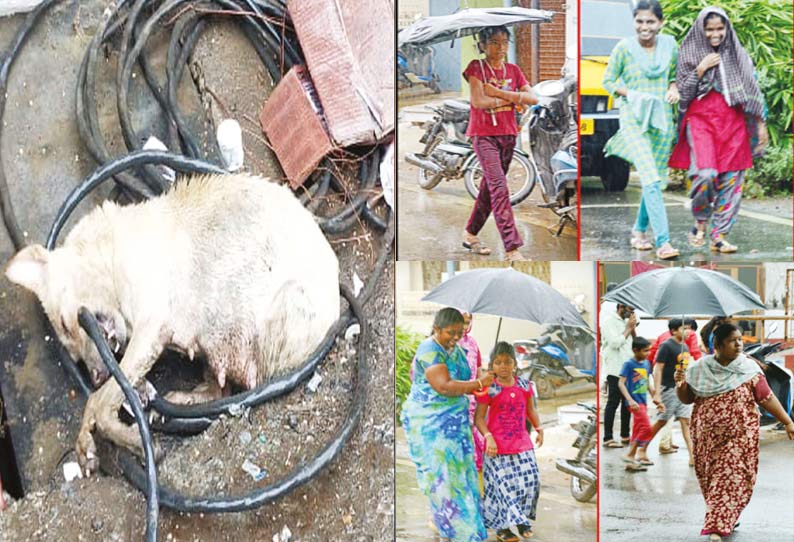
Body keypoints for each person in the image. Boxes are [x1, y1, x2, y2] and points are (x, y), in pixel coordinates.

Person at [675, 324, 794, 541]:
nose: (739, 344)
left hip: (739, 437)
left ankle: (717, 527)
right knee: (712, 478)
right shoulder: (698, 368)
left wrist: (787, 421)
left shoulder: (748, 368)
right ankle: (725, 514)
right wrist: (680, 384)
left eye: (740, 339)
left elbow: (766, 398)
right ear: (718, 345)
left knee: (730, 475)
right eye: (733, 340)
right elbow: (687, 398)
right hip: (707, 437)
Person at [669, 6, 768, 253]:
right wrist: (701, 69)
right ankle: (700, 221)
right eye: (709, 29)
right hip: (701, 121)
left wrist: (760, 124)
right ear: (701, 30)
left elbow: (753, 90)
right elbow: (684, 94)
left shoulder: (738, 54)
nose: (715, 34)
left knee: (732, 181)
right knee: (705, 174)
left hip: (733, 123)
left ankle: (719, 235)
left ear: (727, 29)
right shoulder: (689, 52)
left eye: (720, 28)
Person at [400, 307, 495, 542]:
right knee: (443, 480)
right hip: (432, 427)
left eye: (460, 333)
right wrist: (476, 383)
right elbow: (443, 386)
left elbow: (465, 378)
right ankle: (452, 530)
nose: (455, 338)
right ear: (436, 329)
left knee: (461, 477)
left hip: (456, 427)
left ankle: (464, 530)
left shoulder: (456, 350)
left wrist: (483, 381)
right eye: (450, 333)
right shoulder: (429, 350)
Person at [602, 0, 680, 259]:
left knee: (653, 180)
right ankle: (664, 242)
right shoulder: (624, 48)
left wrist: (673, 88)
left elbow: (675, 75)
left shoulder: (670, 45)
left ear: (660, 23)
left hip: (661, 120)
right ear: (634, 22)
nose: (644, 27)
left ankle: (638, 231)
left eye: (650, 21)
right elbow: (608, 81)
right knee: (651, 178)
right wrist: (632, 94)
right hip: (634, 119)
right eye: (639, 21)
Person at [461, 26, 537, 262]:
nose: (501, 47)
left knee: (488, 188)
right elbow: (478, 101)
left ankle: (470, 233)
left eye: (505, 42)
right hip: (483, 135)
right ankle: (512, 247)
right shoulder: (476, 68)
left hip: (508, 134)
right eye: (494, 42)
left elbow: (533, 98)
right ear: (482, 45)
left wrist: (500, 94)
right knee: (499, 187)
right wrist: (515, 99)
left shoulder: (513, 70)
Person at [474, 342, 543, 542]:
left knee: (531, 481)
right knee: (502, 487)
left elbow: (531, 410)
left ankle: (521, 519)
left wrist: (539, 428)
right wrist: (488, 437)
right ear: (491, 366)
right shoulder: (489, 388)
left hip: (521, 443)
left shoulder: (524, 385)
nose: (503, 366)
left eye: (508, 362)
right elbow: (479, 418)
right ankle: (502, 529)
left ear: (515, 364)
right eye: (498, 362)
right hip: (496, 447)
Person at [648, 317, 701, 454]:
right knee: (662, 421)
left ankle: (692, 456)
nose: (688, 331)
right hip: (668, 388)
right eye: (684, 328)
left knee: (686, 421)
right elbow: (658, 368)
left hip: (681, 388)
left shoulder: (685, 346)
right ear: (673, 331)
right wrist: (657, 392)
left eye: (689, 328)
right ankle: (641, 448)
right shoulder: (666, 345)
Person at [618, 337, 665, 471]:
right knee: (646, 429)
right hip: (634, 403)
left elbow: (647, 383)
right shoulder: (629, 364)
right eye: (645, 351)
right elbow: (620, 383)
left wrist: (656, 399)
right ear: (635, 350)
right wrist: (630, 400)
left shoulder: (646, 364)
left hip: (643, 402)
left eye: (649, 350)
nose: (648, 353)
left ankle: (630, 462)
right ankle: (630, 453)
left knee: (638, 429)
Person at [601, 303, 636, 448]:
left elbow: (634, 343)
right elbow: (615, 343)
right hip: (615, 368)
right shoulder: (609, 322)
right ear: (621, 307)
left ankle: (625, 435)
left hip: (628, 367)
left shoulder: (627, 323)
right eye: (630, 310)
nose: (631, 313)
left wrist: (633, 329)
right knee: (613, 403)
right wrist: (628, 328)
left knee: (627, 403)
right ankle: (608, 437)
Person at [459, 311, 486, 473]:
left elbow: (479, 371)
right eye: (462, 321)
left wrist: (483, 385)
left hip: (472, 402)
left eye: (468, 322)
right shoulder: (447, 344)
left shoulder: (473, 344)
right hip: (454, 402)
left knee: (477, 445)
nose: (464, 326)